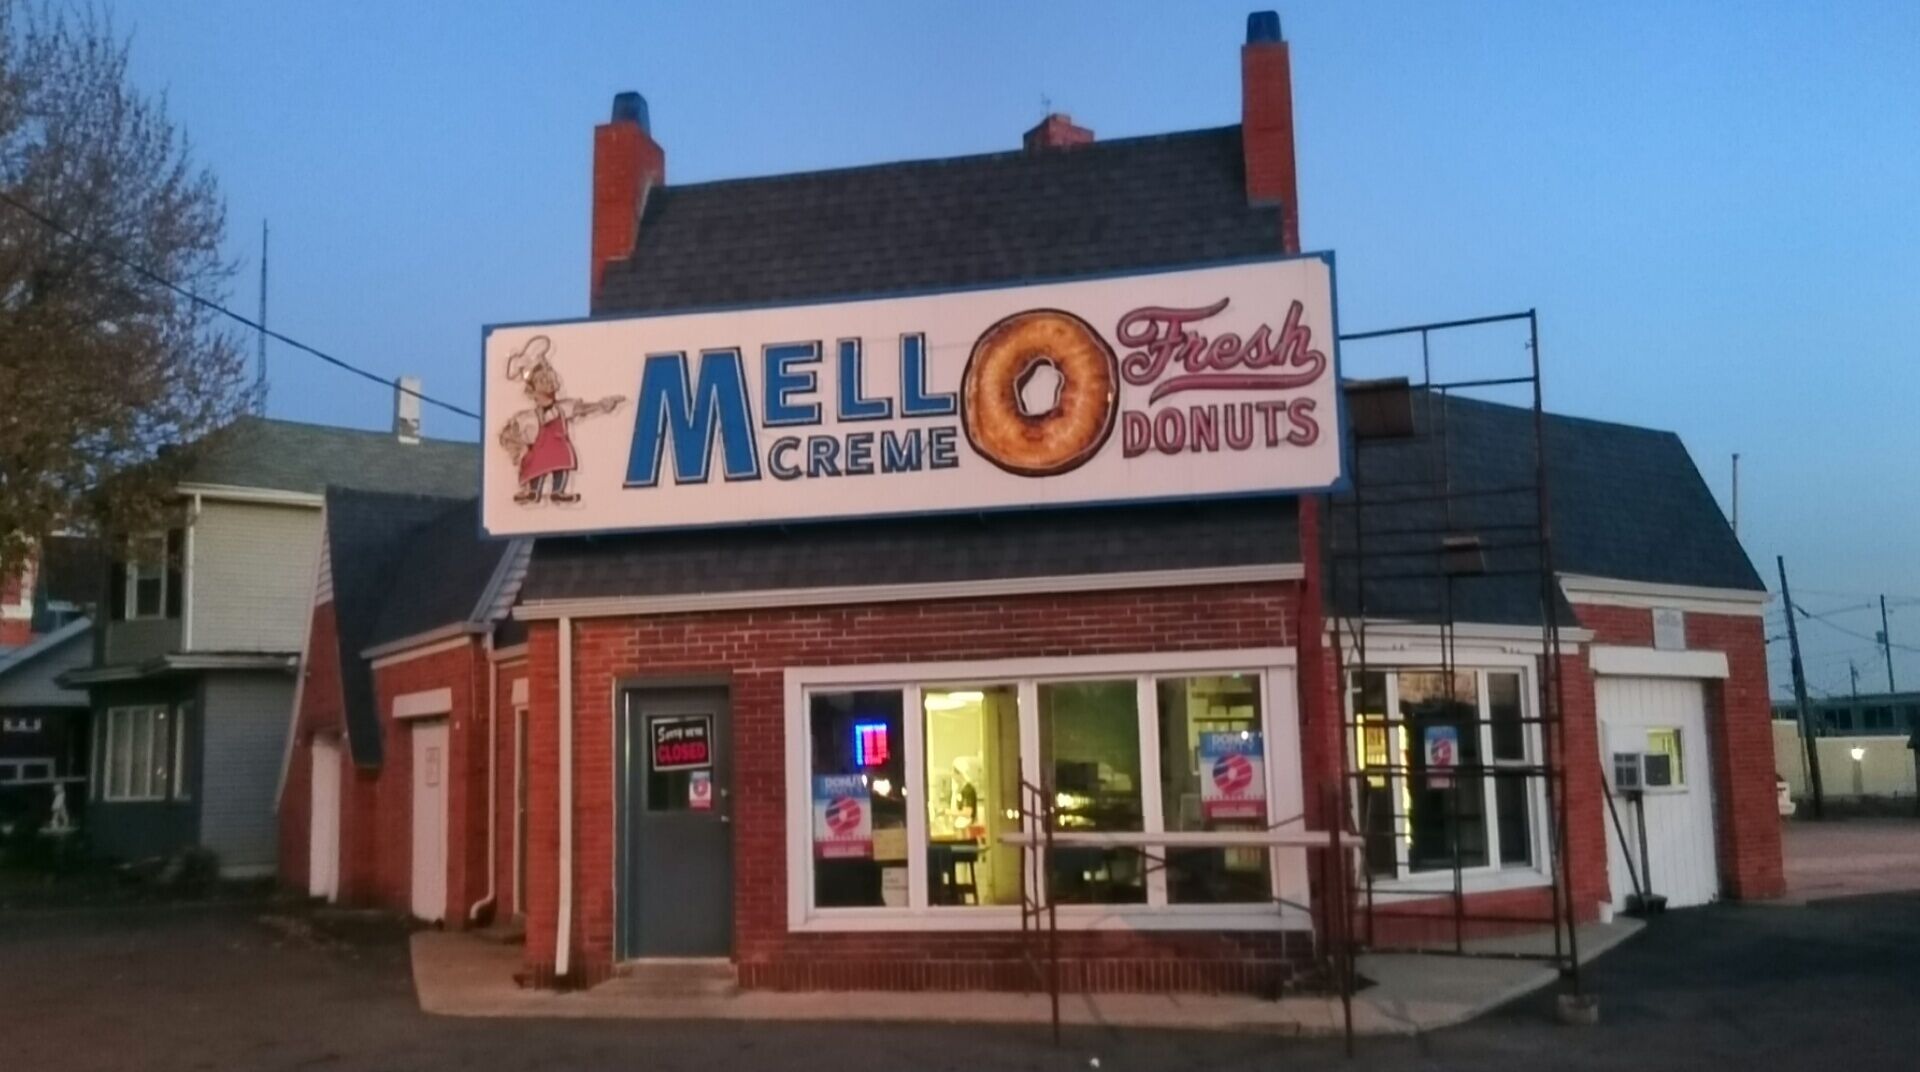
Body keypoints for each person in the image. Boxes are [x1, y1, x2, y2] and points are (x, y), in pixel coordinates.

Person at [498, 335, 625, 504]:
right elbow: (510, 435)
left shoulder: (562, 408)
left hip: (558, 446)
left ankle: (558, 491)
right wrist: (519, 448)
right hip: (539, 449)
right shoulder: (527, 417)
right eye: (542, 380)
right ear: (532, 390)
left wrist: (601, 405)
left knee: (562, 461)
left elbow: (581, 409)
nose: (549, 383)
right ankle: (533, 491)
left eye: (549, 378)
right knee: (536, 465)